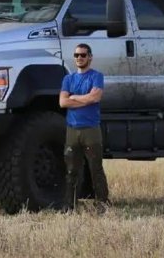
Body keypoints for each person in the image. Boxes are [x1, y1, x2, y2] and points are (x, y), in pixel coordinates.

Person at [59, 43, 110, 212]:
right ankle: (70, 205)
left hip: (91, 130)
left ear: (90, 57)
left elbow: (95, 98)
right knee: (71, 170)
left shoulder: (97, 76)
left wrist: (74, 97)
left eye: (83, 55)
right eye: (76, 55)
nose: (79, 58)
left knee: (96, 168)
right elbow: (63, 102)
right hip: (72, 130)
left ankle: (102, 202)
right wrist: (85, 99)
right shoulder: (68, 79)